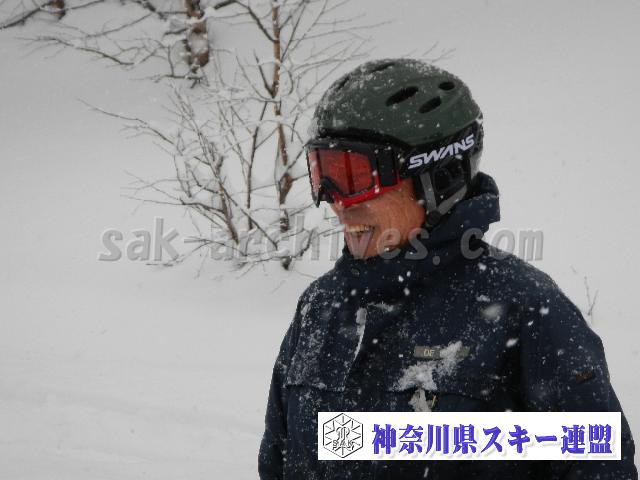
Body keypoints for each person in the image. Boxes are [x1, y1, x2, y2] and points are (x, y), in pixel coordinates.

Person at [258, 59, 637, 479]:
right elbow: (278, 462)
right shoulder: (322, 307)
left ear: (438, 179)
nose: (336, 201)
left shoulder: (523, 311)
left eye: (355, 175)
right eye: (323, 173)